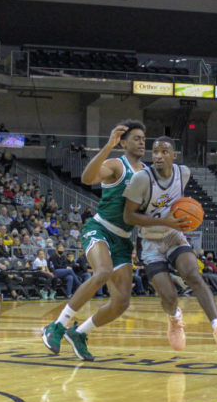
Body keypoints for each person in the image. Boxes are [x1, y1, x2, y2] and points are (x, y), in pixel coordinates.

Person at [40, 121, 148, 360]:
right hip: (99, 229)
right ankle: (57, 326)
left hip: (123, 239)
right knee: (102, 271)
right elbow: (88, 178)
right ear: (123, 142)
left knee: (121, 303)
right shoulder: (115, 165)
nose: (142, 142)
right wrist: (108, 146)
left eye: (143, 138)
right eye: (136, 138)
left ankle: (78, 333)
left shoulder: (147, 173)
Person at [123, 136, 217, 354]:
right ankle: (174, 319)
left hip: (174, 234)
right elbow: (129, 217)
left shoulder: (183, 173)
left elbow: (178, 201)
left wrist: (182, 217)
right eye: (155, 152)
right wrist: (164, 220)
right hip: (150, 240)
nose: (158, 156)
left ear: (173, 156)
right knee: (169, 296)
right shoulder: (141, 179)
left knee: (193, 274)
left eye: (164, 152)